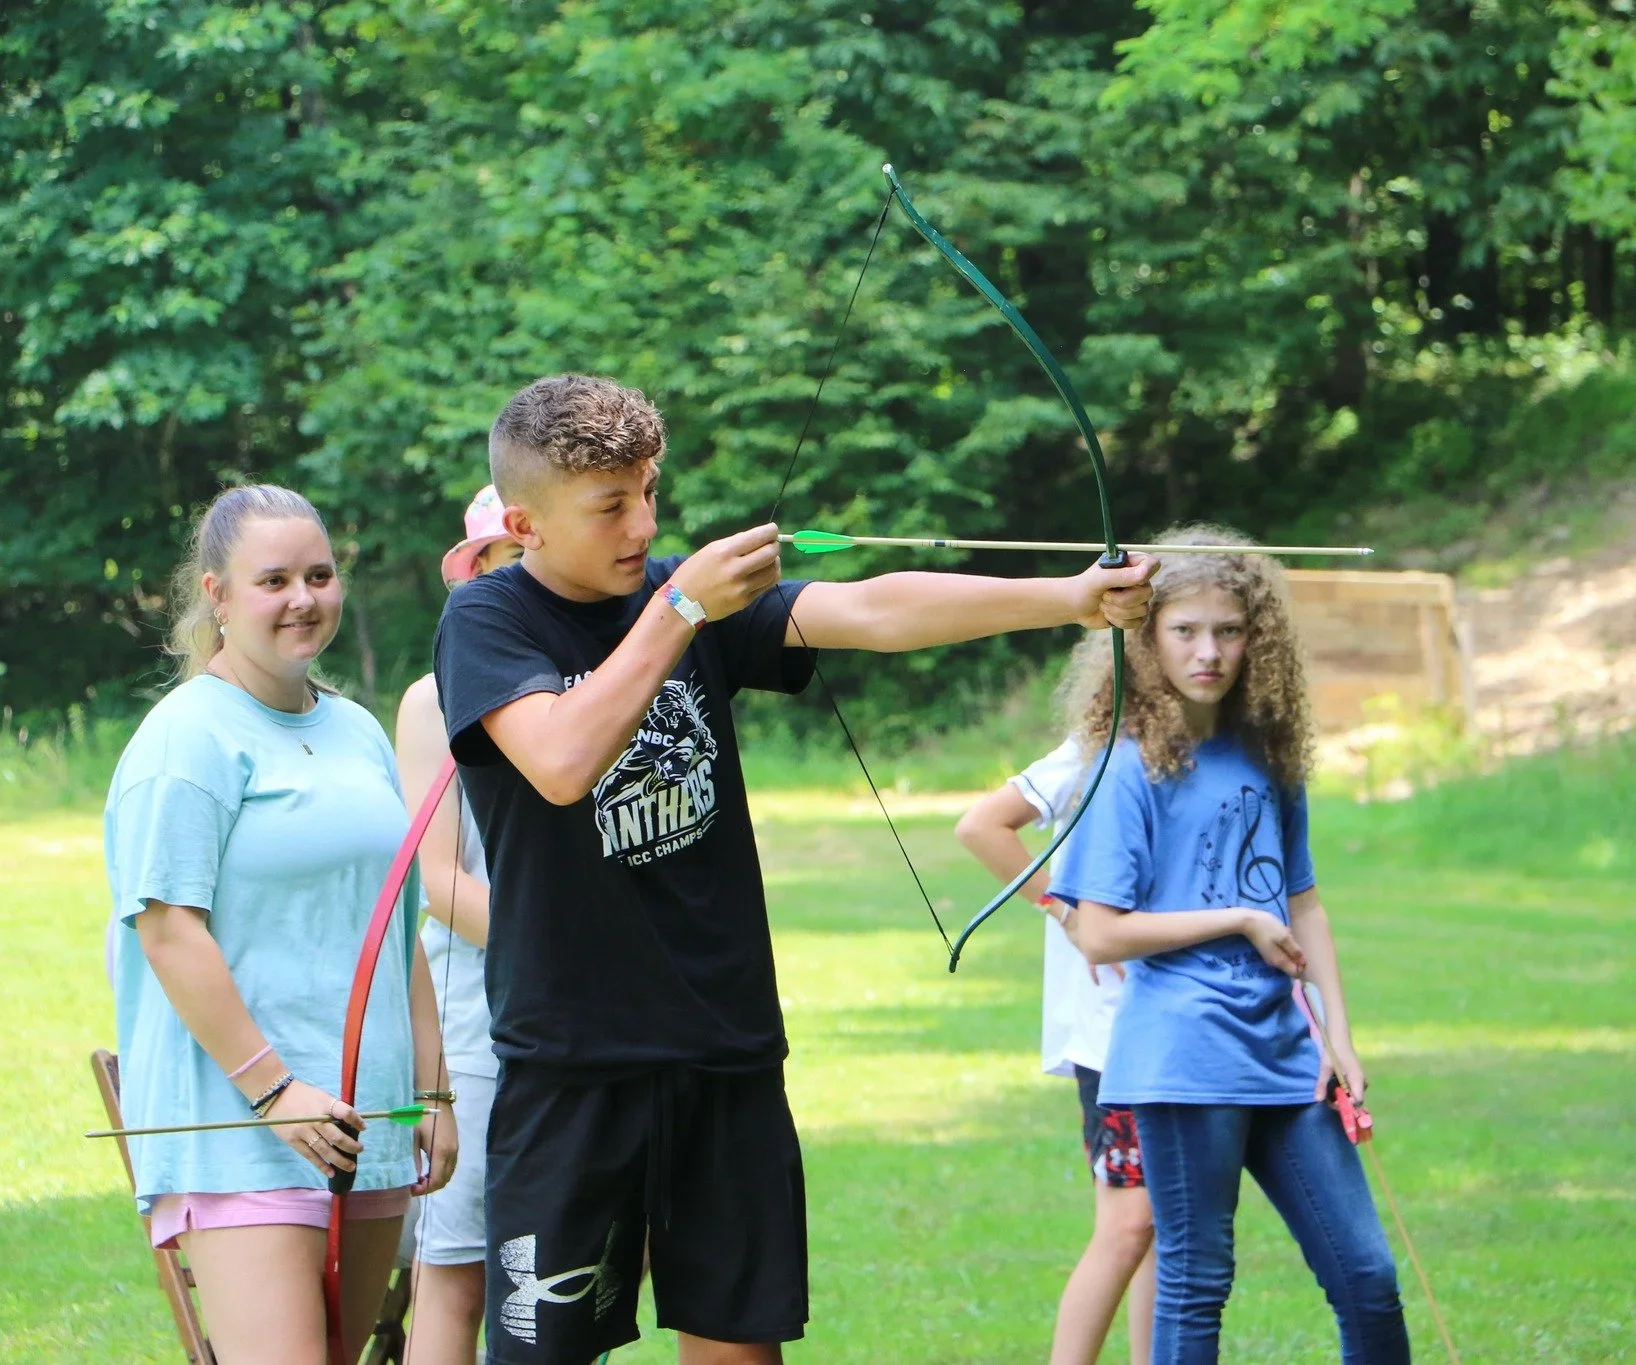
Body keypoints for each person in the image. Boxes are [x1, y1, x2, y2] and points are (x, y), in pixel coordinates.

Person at [432, 373, 1157, 1365]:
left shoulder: (678, 595)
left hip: (723, 1043)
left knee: (739, 1345)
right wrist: (679, 609)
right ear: (525, 524)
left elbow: (873, 609)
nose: (644, 523)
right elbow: (560, 762)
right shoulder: (490, 621)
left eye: (649, 491)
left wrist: (1069, 599)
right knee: (542, 1351)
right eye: (610, 506)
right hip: (573, 1056)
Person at [104, 484, 457, 1365]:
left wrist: (434, 1091)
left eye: (319, 575)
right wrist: (274, 1091)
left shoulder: (357, 731)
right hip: (240, 1135)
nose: (303, 598)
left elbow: (394, 925)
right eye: (274, 580)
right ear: (218, 595)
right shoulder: (185, 739)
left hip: (367, 1124)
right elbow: (168, 930)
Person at [1050, 526, 1409, 1365]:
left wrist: (1339, 1033)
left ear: (1258, 638)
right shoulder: (1126, 766)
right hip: (1183, 1054)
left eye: (1229, 630)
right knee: (1197, 1279)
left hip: (1287, 1053)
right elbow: (1098, 930)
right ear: (1146, 636)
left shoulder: (1268, 755)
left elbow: (1303, 901)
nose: (1208, 652)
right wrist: (1237, 919)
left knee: (1367, 1274)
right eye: (1185, 630)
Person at [957, 736, 1155, 1365]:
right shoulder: (1096, 746)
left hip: (1178, 1027)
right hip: (1113, 1036)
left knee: (1165, 1230)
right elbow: (982, 826)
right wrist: (1068, 913)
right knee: (1130, 1224)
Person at [395, 486, 523, 1364]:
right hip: (478, 1024)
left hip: (590, 1020)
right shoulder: (431, 698)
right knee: (457, 1269)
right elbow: (438, 880)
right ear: (474, 573)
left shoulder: (599, 679)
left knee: (574, 1271)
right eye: (503, 562)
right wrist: (564, 948)